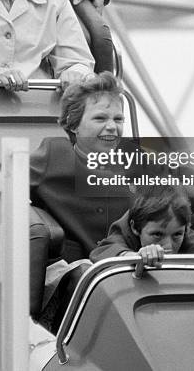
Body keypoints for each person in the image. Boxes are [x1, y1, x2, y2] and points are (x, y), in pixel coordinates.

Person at [30, 71, 131, 263]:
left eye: (118, 119)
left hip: (131, 267)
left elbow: (185, 191)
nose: (112, 127)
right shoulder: (55, 154)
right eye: (100, 119)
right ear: (74, 124)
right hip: (78, 273)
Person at [90, 184, 194, 269]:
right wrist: (133, 257)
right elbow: (104, 250)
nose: (168, 245)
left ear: (187, 229)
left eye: (177, 235)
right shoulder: (124, 232)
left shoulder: (184, 234)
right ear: (135, 228)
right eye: (157, 234)